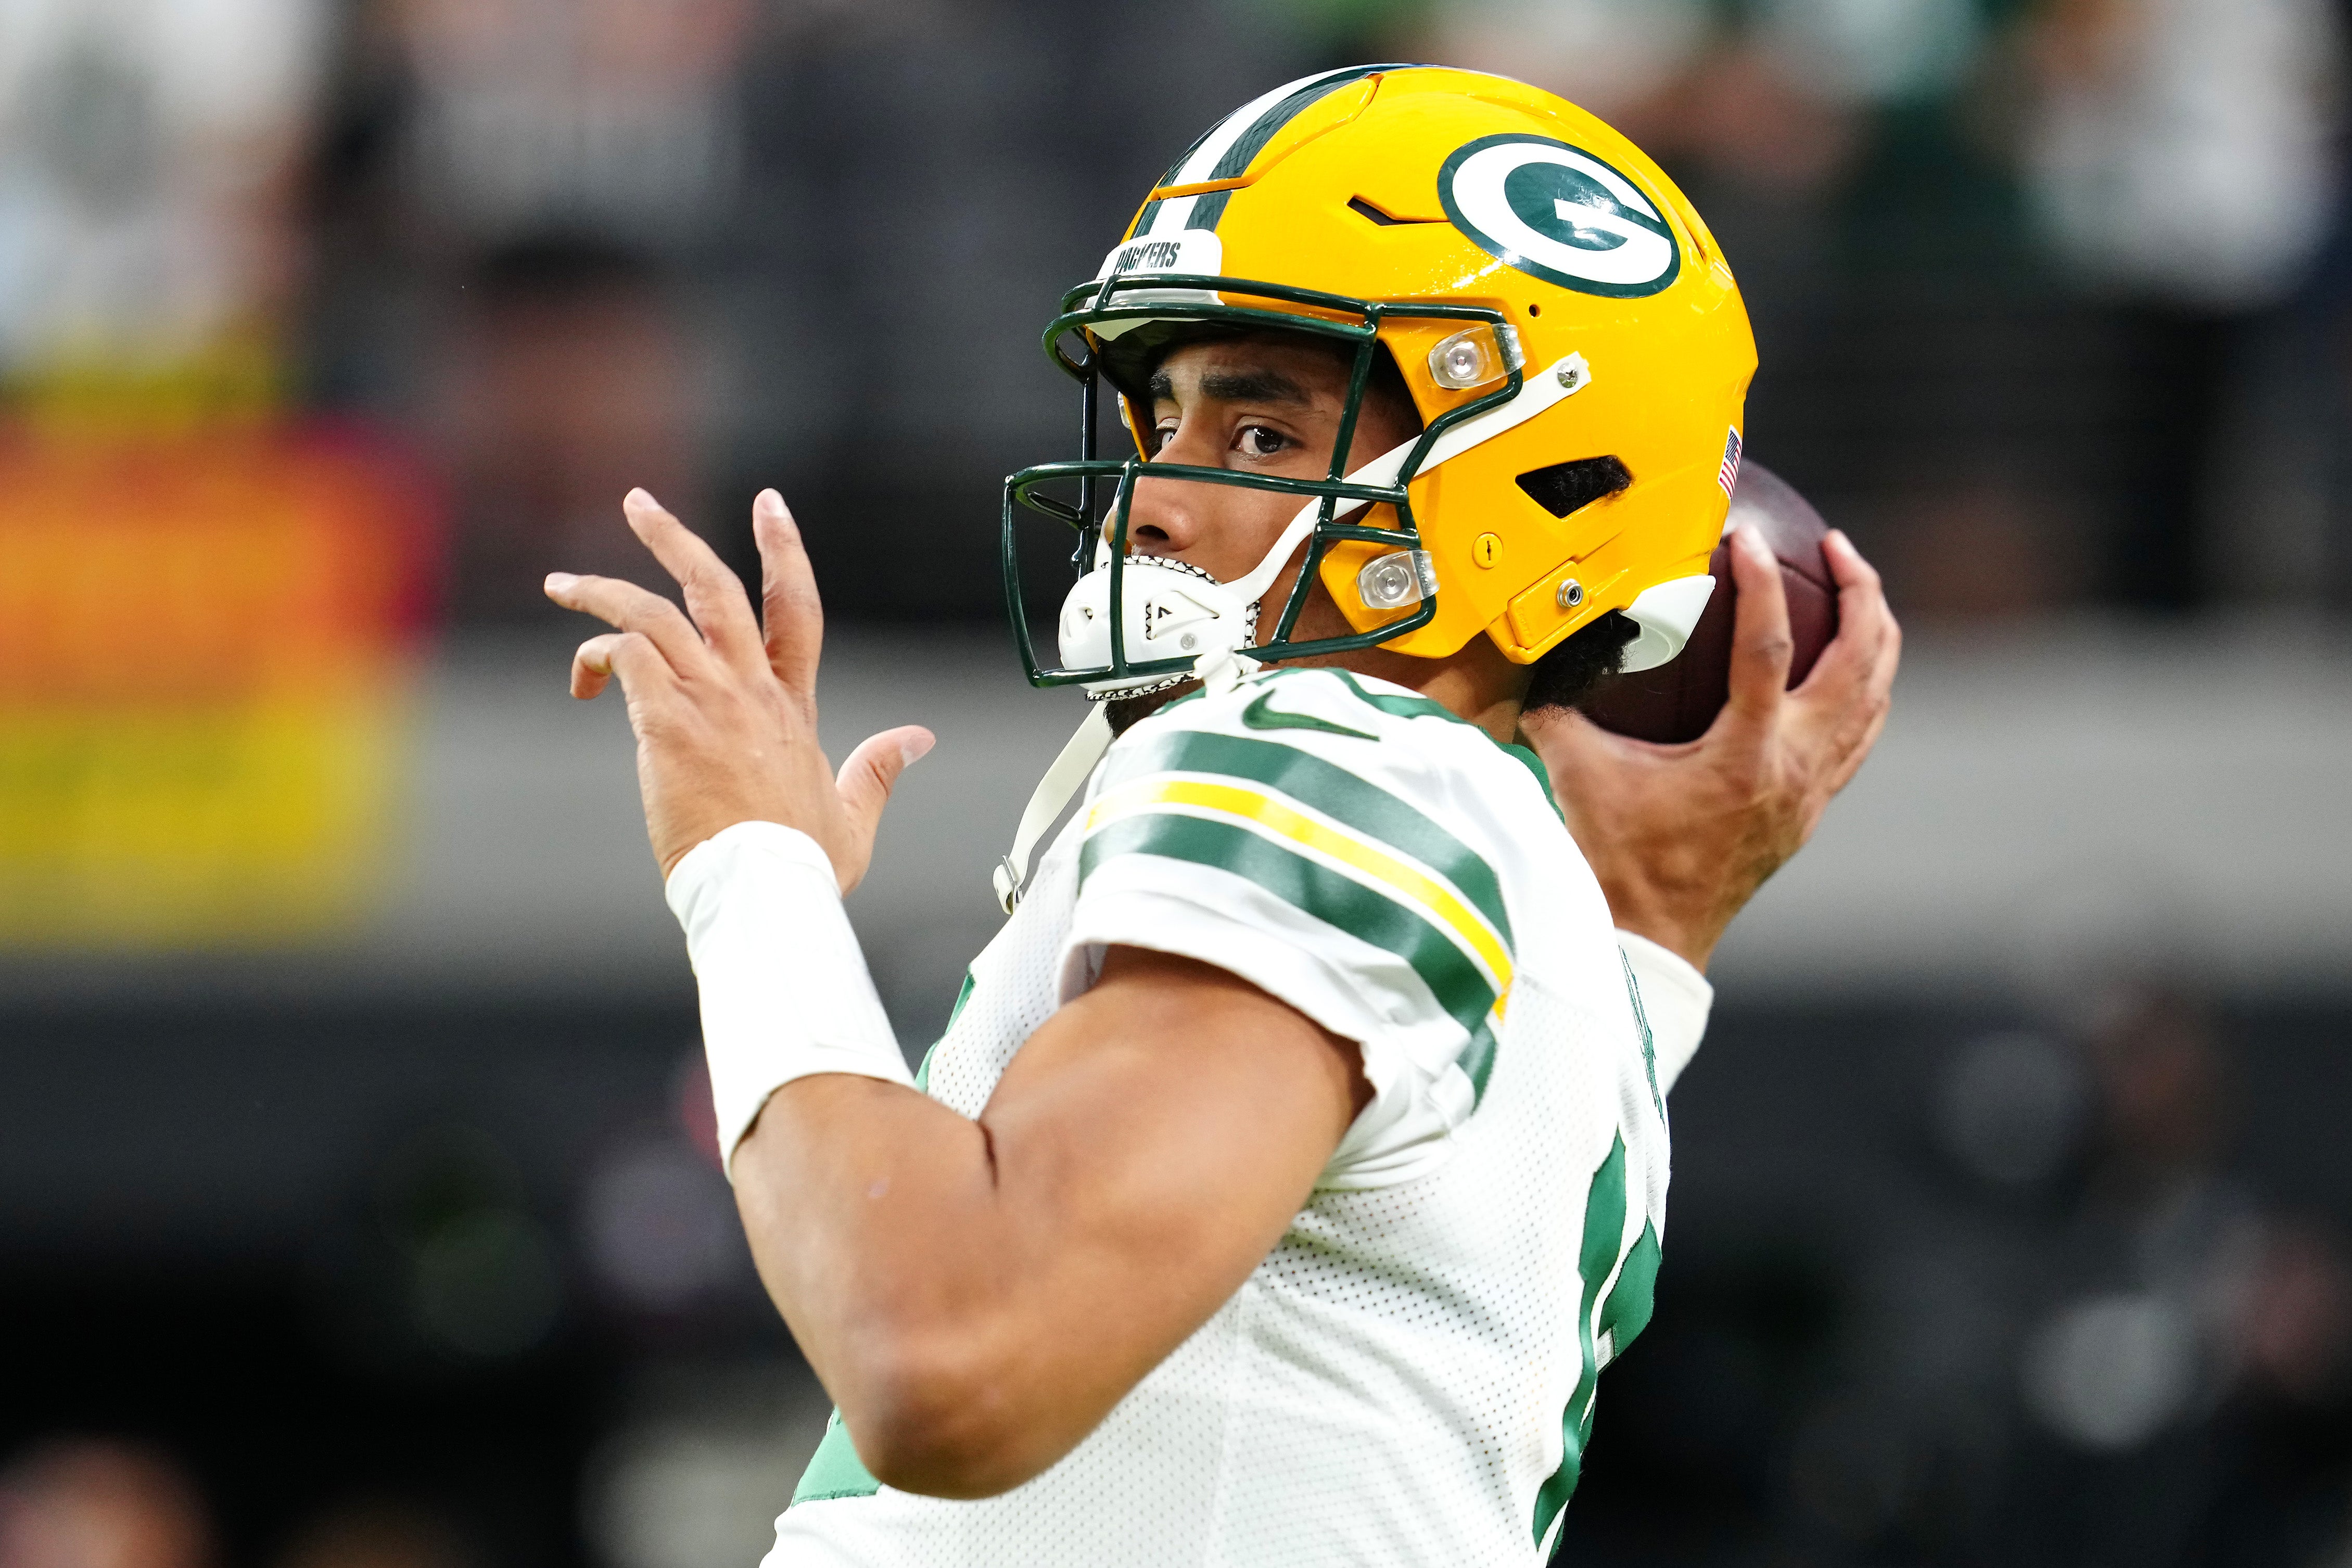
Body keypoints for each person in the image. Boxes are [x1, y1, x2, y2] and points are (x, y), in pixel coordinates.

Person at [545, 66, 1899, 1567]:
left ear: (1549, 469)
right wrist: (1658, 929)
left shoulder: (1337, 754)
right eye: (1162, 420)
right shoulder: (1550, 936)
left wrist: (750, 868)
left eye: (1260, 435)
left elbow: (945, 1357)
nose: (1157, 501)